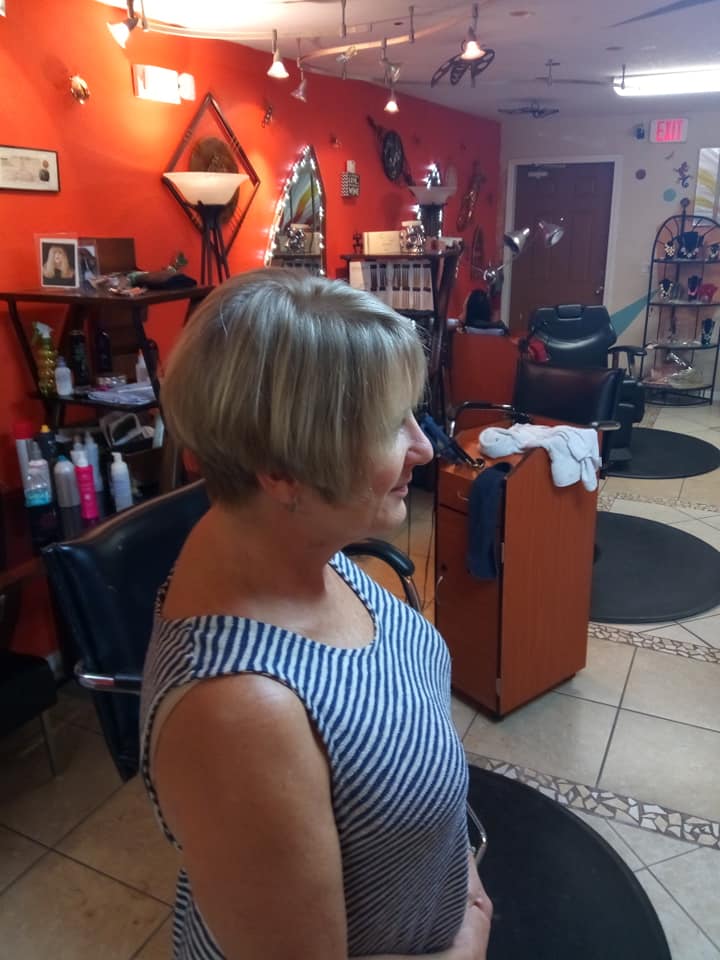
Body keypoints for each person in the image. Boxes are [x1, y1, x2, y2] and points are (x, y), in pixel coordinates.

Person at [140, 269, 492, 959]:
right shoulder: (239, 714)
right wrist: (470, 934)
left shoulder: (288, 540)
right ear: (281, 470)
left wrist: (462, 878)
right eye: (390, 425)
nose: (424, 448)